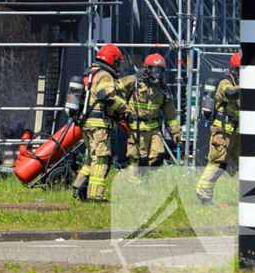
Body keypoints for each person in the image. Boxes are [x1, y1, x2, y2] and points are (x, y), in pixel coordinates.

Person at [73, 44, 133, 203]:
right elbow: (107, 97)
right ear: (112, 60)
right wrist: (126, 108)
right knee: (101, 160)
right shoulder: (104, 76)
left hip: (87, 124)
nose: (118, 66)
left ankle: (78, 187)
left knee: (91, 158)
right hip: (98, 125)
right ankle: (95, 196)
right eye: (117, 62)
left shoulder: (91, 73)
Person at [124, 53, 181, 178]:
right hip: (137, 128)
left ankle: (145, 180)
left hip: (154, 128)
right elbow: (112, 92)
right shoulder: (133, 81)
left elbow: (170, 112)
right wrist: (122, 111)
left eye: (160, 70)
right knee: (140, 160)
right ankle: (134, 187)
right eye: (155, 69)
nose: (157, 73)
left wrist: (175, 131)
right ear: (146, 68)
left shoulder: (162, 88)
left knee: (158, 156)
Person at [196, 52, 241, 206]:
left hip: (238, 133)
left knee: (248, 163)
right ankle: (203, 194)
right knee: (218, 163)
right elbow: (231, 93)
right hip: (223, 132)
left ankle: (252, 197)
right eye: (241, 71)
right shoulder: (225, 83)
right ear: (233, 70)